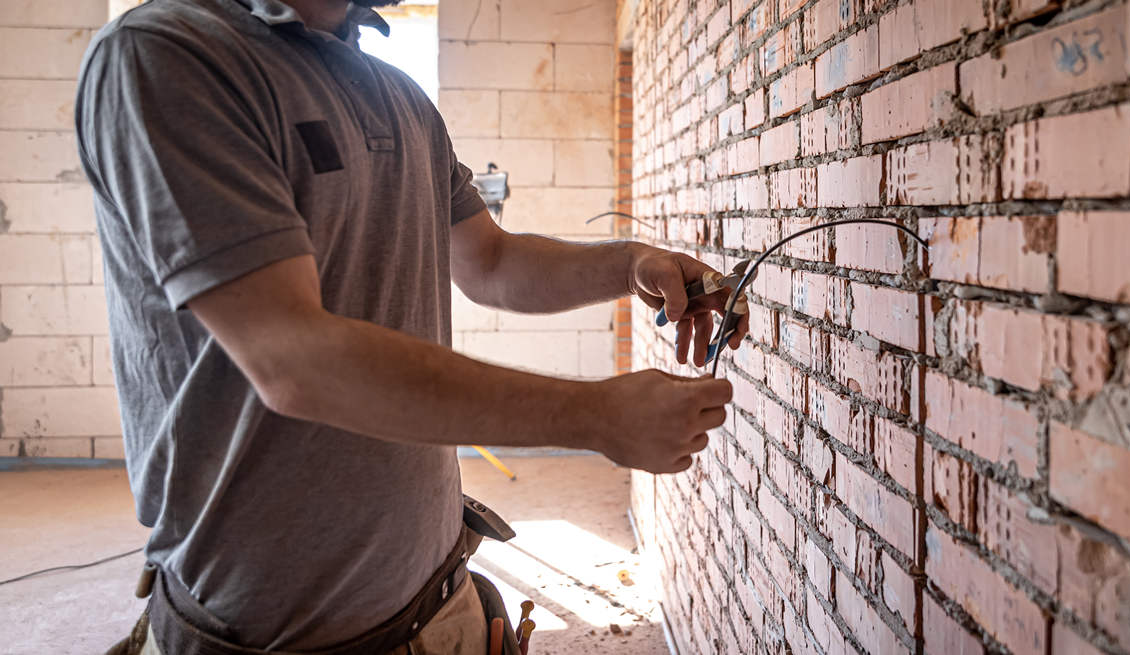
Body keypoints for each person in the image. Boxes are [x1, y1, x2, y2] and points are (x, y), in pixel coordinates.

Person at [75, 0, 748, 652]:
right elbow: (293, 357)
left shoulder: (397, 95)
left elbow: (490, 260)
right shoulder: (168, 54)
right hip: (266, 636)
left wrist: (632, 264)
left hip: (438, 600)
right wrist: (594, 415)